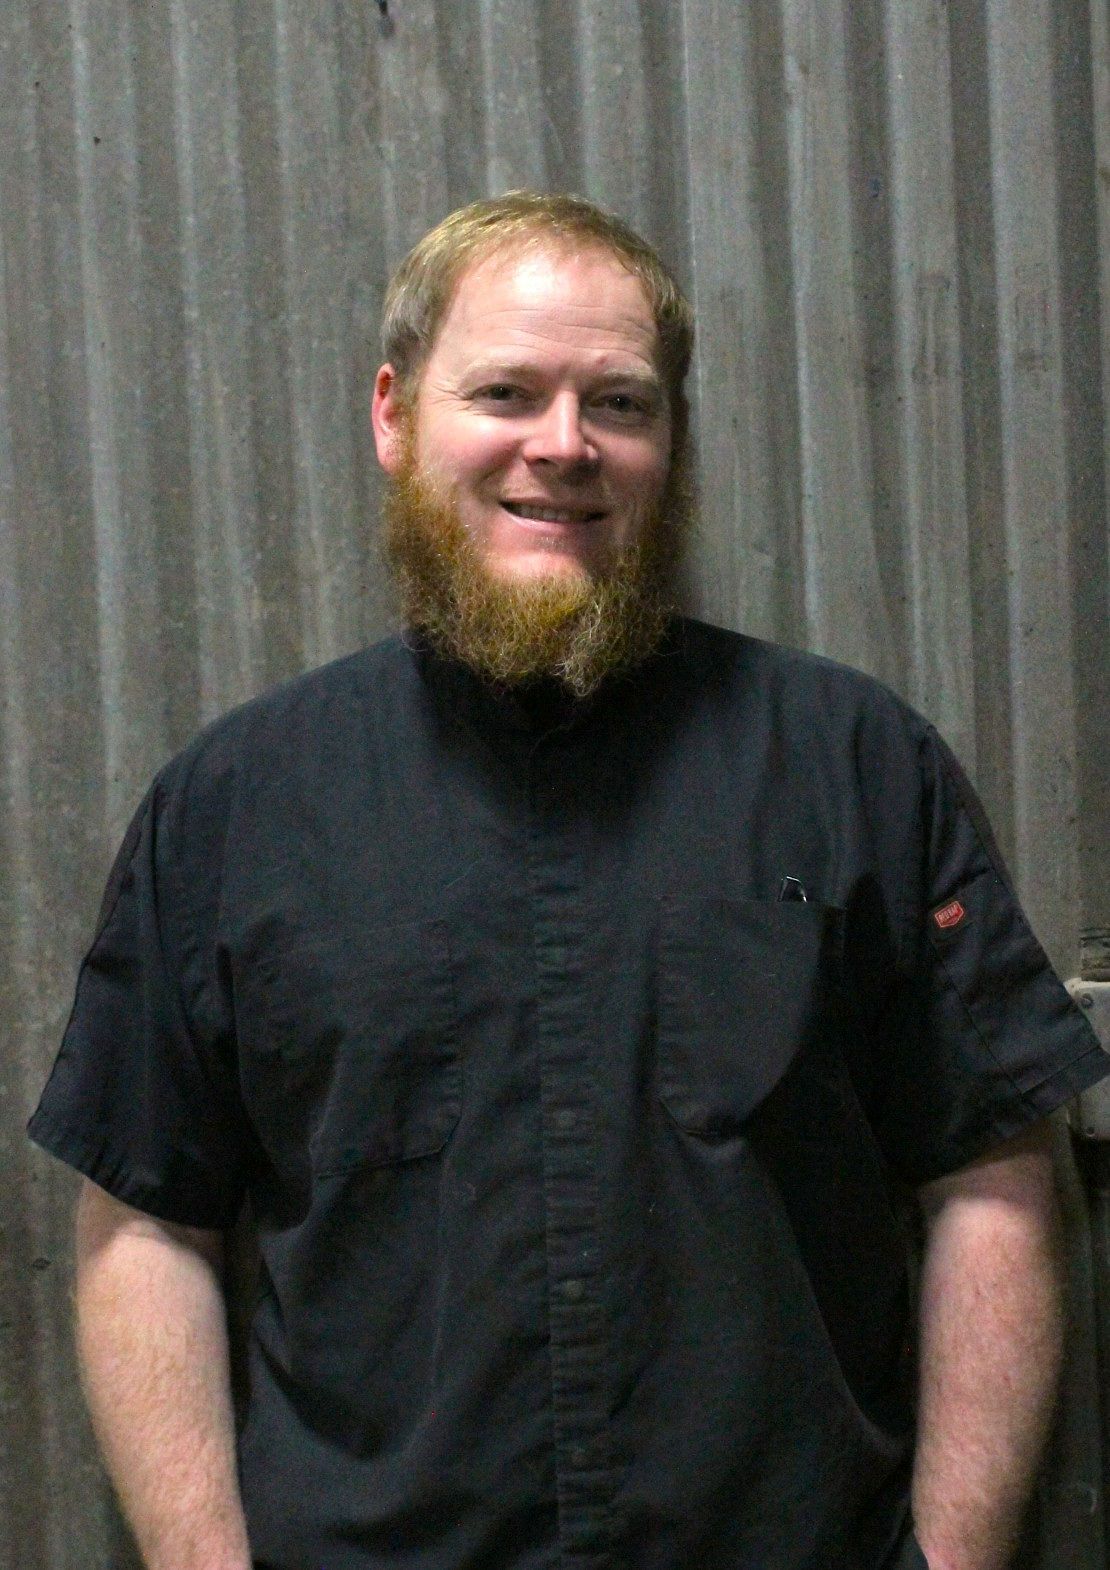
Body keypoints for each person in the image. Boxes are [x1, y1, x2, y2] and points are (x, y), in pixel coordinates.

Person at [29, 191, 1108, 1570]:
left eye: (619, 401)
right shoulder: (237, 803)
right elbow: (143, 1214)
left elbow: (992, 1176)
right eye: (505, 391)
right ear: (393, 415)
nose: (563, 444)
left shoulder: (852, 765)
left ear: (669, 444)